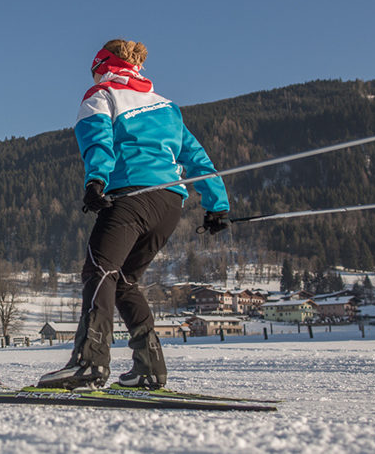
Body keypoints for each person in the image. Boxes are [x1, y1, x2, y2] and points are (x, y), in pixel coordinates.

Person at [37, 39, 230, 390]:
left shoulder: (102, 95)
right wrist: (218, 205)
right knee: (125, 282)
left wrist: (96, 181)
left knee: (100, 271)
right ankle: (149, 367)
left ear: (103, 65)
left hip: (131, 197)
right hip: (169, 203)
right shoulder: (166, 106)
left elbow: (98, 141)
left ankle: (90, 363)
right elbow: (197, 158)